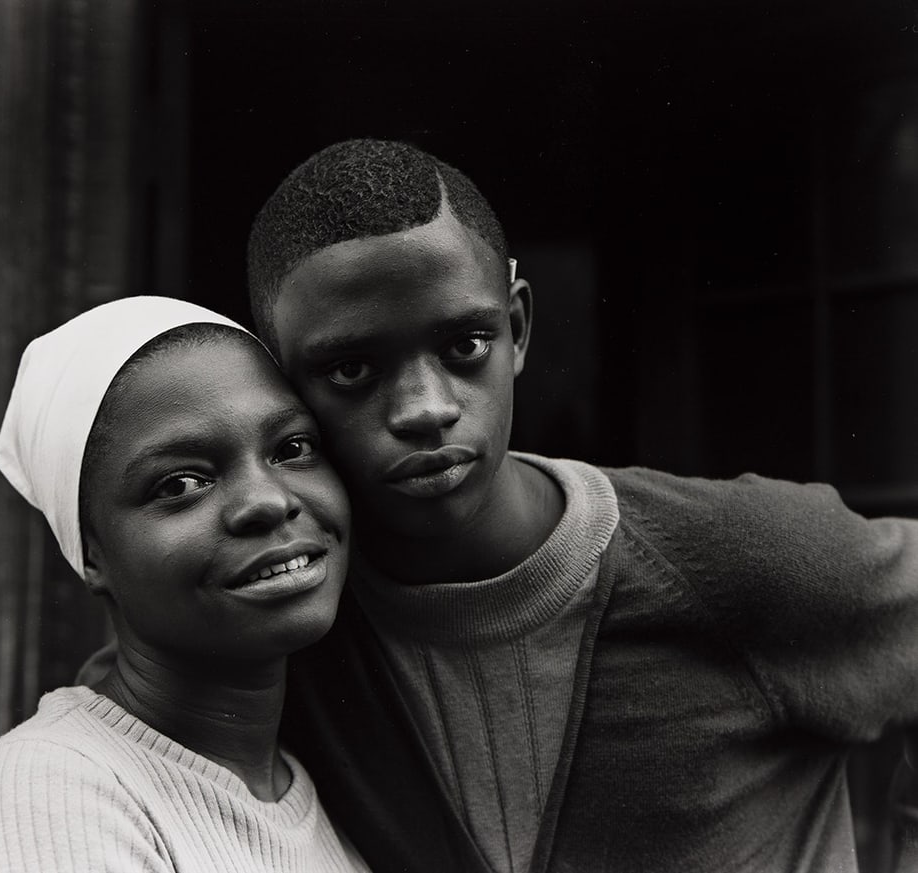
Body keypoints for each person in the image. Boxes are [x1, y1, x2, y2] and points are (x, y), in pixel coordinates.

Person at [245, 138, 918, 872]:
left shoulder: (744, 554)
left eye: (465, 344)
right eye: (351, 369)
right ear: (281, 387)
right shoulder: (289, 623)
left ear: (518, 327)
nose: (425, 408)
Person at [0, 296, 367, 872]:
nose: (269, 502)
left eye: (292, 449)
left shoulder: (307, 791)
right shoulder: (52, 800)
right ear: (91, 554)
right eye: (179, 484)